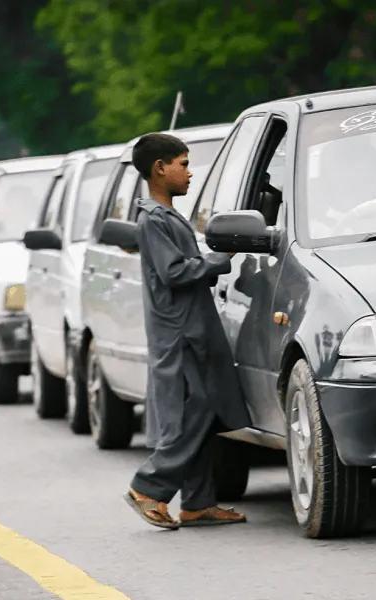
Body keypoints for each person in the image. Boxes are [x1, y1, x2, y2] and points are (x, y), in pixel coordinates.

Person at [123, 132, 252, 529]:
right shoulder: (154, 219)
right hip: (180, 334)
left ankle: (197, 503)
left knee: (202, 410)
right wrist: (218, 259)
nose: (189, 173)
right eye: (183, 164)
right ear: (160, 169)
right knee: (192, 414)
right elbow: (175, 272)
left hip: (192, 328)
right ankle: (148, 486)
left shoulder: (166, 215)